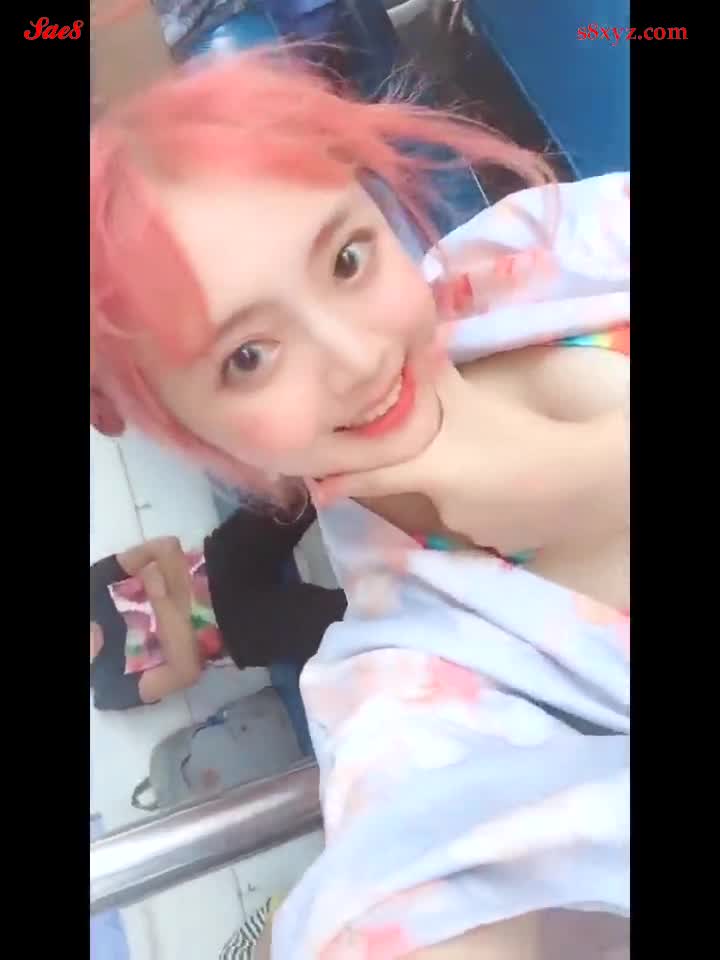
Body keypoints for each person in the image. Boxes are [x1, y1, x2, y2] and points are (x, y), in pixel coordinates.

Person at [90, 49, 629, 960]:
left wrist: (589, 473)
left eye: (347, 258)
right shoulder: (404, 698)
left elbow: (158, 562)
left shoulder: (520, 257)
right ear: (182, 426)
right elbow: (407, 867)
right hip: (243, 620)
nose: (357, 355)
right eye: (247, 358)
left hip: (231, 572)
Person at [90, 502, 347, 710]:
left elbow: (166, 547)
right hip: (238, 631)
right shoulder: (108, 689)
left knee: (292, 493)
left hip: (222, 561)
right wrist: (159, 596)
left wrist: (180, 632)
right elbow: (186, 672)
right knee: (345, 620)